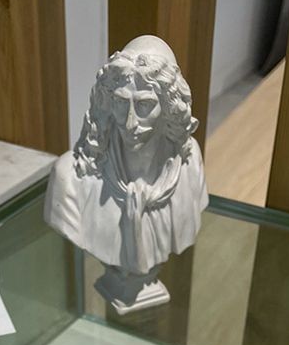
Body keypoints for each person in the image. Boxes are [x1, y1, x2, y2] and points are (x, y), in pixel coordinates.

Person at [45, 35, 207, 285]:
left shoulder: (189, 161)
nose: (130, 122)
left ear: (169, 107)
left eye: (145, 105)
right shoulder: (71, 179)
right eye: (121, 102)